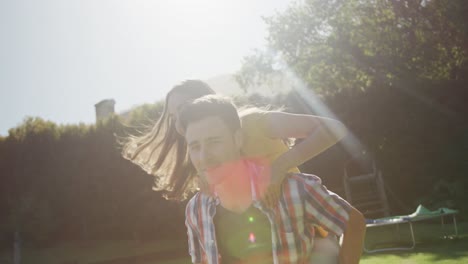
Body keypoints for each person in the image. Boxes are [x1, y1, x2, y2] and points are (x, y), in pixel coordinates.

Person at [179, 95, 366, 264]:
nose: (203, 156)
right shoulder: (197, 209)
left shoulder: (296, 189)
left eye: (214, 142)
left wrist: (278, 167)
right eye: (195, 147)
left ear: (238, 139)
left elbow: (353, 223)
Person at [122, 80, 347, 205]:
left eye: (183, 110)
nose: (180, 123)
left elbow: (333, 129)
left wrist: (278, 167)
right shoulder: (204, 162)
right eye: (173, 118)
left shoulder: (252, 122)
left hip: (306, 225)